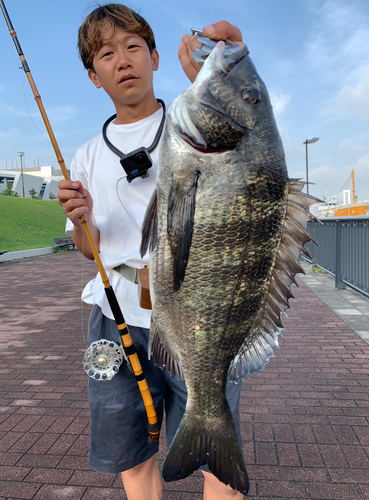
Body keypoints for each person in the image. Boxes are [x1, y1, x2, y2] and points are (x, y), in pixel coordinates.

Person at [58, 4, 245, 499]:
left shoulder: (195, 121)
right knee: (133, 454)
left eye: (133, 47)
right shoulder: (87, 155)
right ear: (94, 76)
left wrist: (226, 63)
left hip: (196, 307)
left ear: (156, 58)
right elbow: (88, 250)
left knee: (217, 460)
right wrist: (82, 220)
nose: (123, 60)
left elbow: (243, 142)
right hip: (115, 309)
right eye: (106, 53)